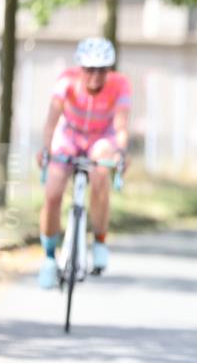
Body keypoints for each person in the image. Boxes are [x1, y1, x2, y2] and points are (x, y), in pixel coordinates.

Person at [36, 38, 130, 288]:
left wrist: (120, 151)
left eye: (102, 69)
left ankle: (99, 240)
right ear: (80, 68)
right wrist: (46, 148)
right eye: (89, 69)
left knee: (101, 173)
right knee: (53, 191)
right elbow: (51, 120)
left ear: (109, 69)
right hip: (70, 133)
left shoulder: (120, 85)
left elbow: (120, 125)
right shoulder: (66, 80)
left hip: (101, 136)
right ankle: (48, 257)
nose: (95, 76)